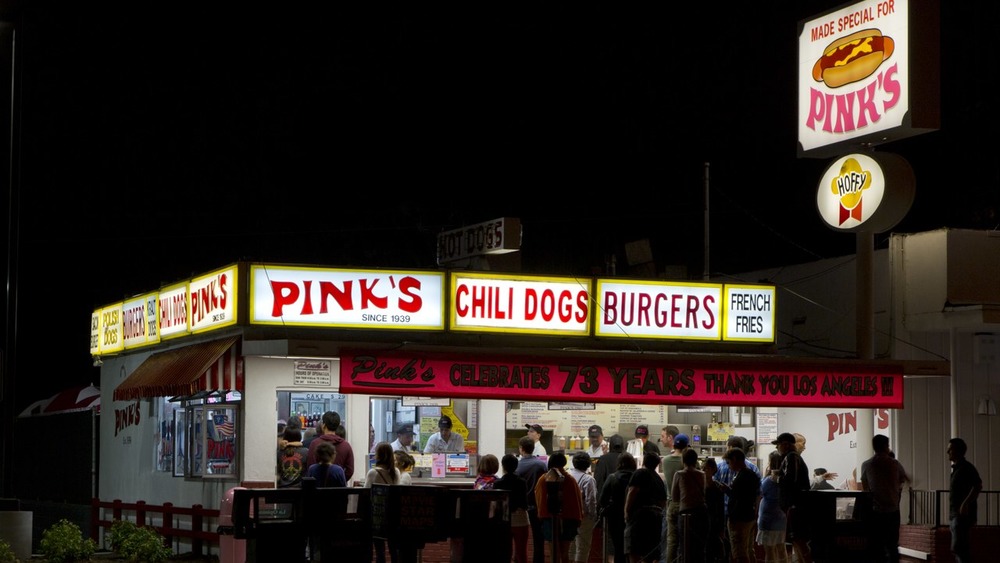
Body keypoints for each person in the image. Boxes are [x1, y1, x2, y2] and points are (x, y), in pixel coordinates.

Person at [860, 433, 908, 563]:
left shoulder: (866, 465)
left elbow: (865, 488)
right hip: (893, 510)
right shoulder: (894, 464)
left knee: (876, 545)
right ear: (886, 446)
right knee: (892, 544)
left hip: (875, 511)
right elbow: (903, 479)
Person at [535, 452, 583, 563]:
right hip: (569, 520)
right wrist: (579, 518)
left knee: (554, 554)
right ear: (564, 463)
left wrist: (541, 516)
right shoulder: (570, 479)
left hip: (549, 519)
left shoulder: (544, 479)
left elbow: (540, 499)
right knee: (565, 554)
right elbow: (577, 500)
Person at [773, 432, 811, 563]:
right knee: (796, 540)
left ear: (785, 445)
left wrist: (776, 478)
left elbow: (790, 480)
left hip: (795, 506)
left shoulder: (791, 457)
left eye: (778, 445)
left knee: (798, 539)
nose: (777, 448)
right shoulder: (792, 457)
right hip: (794, 506)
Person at [624, 452, 667, 563]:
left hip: (640, 516)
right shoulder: (658, 479)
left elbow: (632, 491)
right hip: (655, 516)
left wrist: (626, 510)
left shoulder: (639, 473)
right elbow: (663, 501)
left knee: (634, 549)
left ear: (644, 461)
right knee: (650, 551)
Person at [720, 447, 760, 563]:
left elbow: (738, 497)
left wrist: (727, 490)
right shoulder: (751, 474)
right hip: (749, 517)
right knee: (748, 550)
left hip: (739, 519)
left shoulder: (742, 476)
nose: (728, 465)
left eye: (729, 462)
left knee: (739, 552)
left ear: (735, 459)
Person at [365, 442, 401, 563]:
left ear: (378, 455)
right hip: (393, 514)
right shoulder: (396, 472)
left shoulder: (373, 473)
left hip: (378, 515)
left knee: (379, 550)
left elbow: (366, 493)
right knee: (394, 549)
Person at [671, 448, 708, 563]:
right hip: (701, 513)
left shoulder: (679, 474)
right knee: (700, 546)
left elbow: (674, 496)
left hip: (685, 514)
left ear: (683, 460)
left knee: (685, 546)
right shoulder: (702, 474)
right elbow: (704, 491)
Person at [947, 437, 981, 563]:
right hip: (956, 514)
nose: (948, 452)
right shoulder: (957, 469)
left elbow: (978, 485)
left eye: (950, 450)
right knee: (959, 549)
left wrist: (965, 503)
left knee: (959, 548)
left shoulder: (966, 468)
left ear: (958, 451)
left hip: (961, 515)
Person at [515, 435, 548, 563]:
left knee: (520, 540)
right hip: (538, 505)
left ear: (521, 449)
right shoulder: (541, 465)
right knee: (538, 538)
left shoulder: (517, 466)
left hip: (522, 507)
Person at [599, 452, 637, 563]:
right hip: (634, 517)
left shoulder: (612, 477)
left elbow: (602, 500)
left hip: (615, 517)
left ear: (619, 463)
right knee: (633, 549)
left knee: (618, 547)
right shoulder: (637, 476)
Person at [495, 453, 531, 563]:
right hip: (521, 518)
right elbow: (524, 502)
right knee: (521, 552)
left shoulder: (498, 483)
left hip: (504, 519)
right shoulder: (522, 482)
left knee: (505, 551)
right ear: (516, 466)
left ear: (503, 466)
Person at [662, 432, 689, 563]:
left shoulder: (665, 460)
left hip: (670, 502)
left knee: (671, 539)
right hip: (685, 503)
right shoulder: (686, 462)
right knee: (686, 539)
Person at [757, 451, 788, 563]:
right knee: (781, 548)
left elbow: (760, 492)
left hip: (768, 519)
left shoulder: (769, 480)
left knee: (769, 551)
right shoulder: (785, 479)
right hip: (781, 518)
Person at [306, 411, 355, 481]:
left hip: (318, 488)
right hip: (338, 489)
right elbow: (350, 470)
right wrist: (340, 479)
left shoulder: (315, 444)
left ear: (323, 425)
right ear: (338, 426)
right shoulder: (346, 446)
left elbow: (310, 466)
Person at [568, 451, 598, 563]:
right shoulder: (588, 479)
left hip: (568, 515)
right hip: (583, 517)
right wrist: (593, 516)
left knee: (570, 546)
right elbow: (591, 500)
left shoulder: (567, 475)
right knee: (583, 547)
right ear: (588, 464)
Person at [702, 458, 727, 563]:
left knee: (711, 550)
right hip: (702, 521)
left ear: (713, 470)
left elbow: (720, 509)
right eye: (702, 468)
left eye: (705, 469)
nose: (703, 471)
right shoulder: (699, 485)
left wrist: (721, 527)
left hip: (713, 523)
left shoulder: (717, 487)